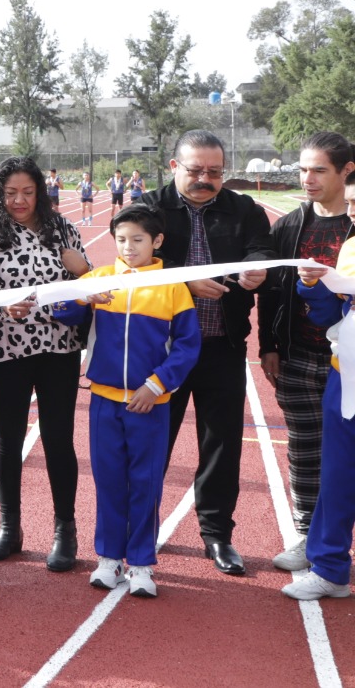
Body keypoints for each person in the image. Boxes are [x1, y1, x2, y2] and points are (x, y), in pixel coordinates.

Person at [137, 129, 273, 575]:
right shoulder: (149, 208)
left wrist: (256, 269)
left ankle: (217, 534)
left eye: (215, 172)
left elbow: (262, 249)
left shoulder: (244, 209)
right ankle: (140, 529)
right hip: (162, 351)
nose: (205, 179)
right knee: (153, 443)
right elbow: (130, 264)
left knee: (222, 445)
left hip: (223, 346)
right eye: (196, 170)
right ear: (174, 166)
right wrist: (184, 281)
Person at [53, 204, 201, 599]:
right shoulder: (99, 279)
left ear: (157, 241)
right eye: (121, 240)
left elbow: (187, 345)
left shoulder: (173, 286)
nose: (128, 247)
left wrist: (156, 385)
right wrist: (82, 299)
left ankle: (141, 562)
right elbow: (59, 310)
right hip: (104, 401)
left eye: (137, 239)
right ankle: (109, 558)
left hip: (149, 403)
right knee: (108, 481)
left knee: (145, 483)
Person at [0, 156, 92, 571]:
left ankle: (65, 530)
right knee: (8, 438)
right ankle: (10, 527)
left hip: (59, 347)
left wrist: (84, 271)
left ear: (40, 191)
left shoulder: (64, 229)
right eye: (10, 193)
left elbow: (90, 285)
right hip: (5, 347)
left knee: (58, 438)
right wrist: (6, 307)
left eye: (27, 192)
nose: (19, 200)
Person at [258, 132, 355, 572]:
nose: (307, 179)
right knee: (305, 451)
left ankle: (334, 543)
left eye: (318, 170)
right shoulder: (289, 227)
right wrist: (269, 345)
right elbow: (272, 292)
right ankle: (306, 535)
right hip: (297, 354)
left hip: (347, 362)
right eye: (302, 169)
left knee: (344, 459)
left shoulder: (354, 223)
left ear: (346, 171)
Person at [283, 191, 355, 601]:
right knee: (337, 475)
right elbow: (333, 315)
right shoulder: (350, 247)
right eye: (351, 202)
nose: (353, 211)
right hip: (344, 378)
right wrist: (312, 285)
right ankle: (329, 567)